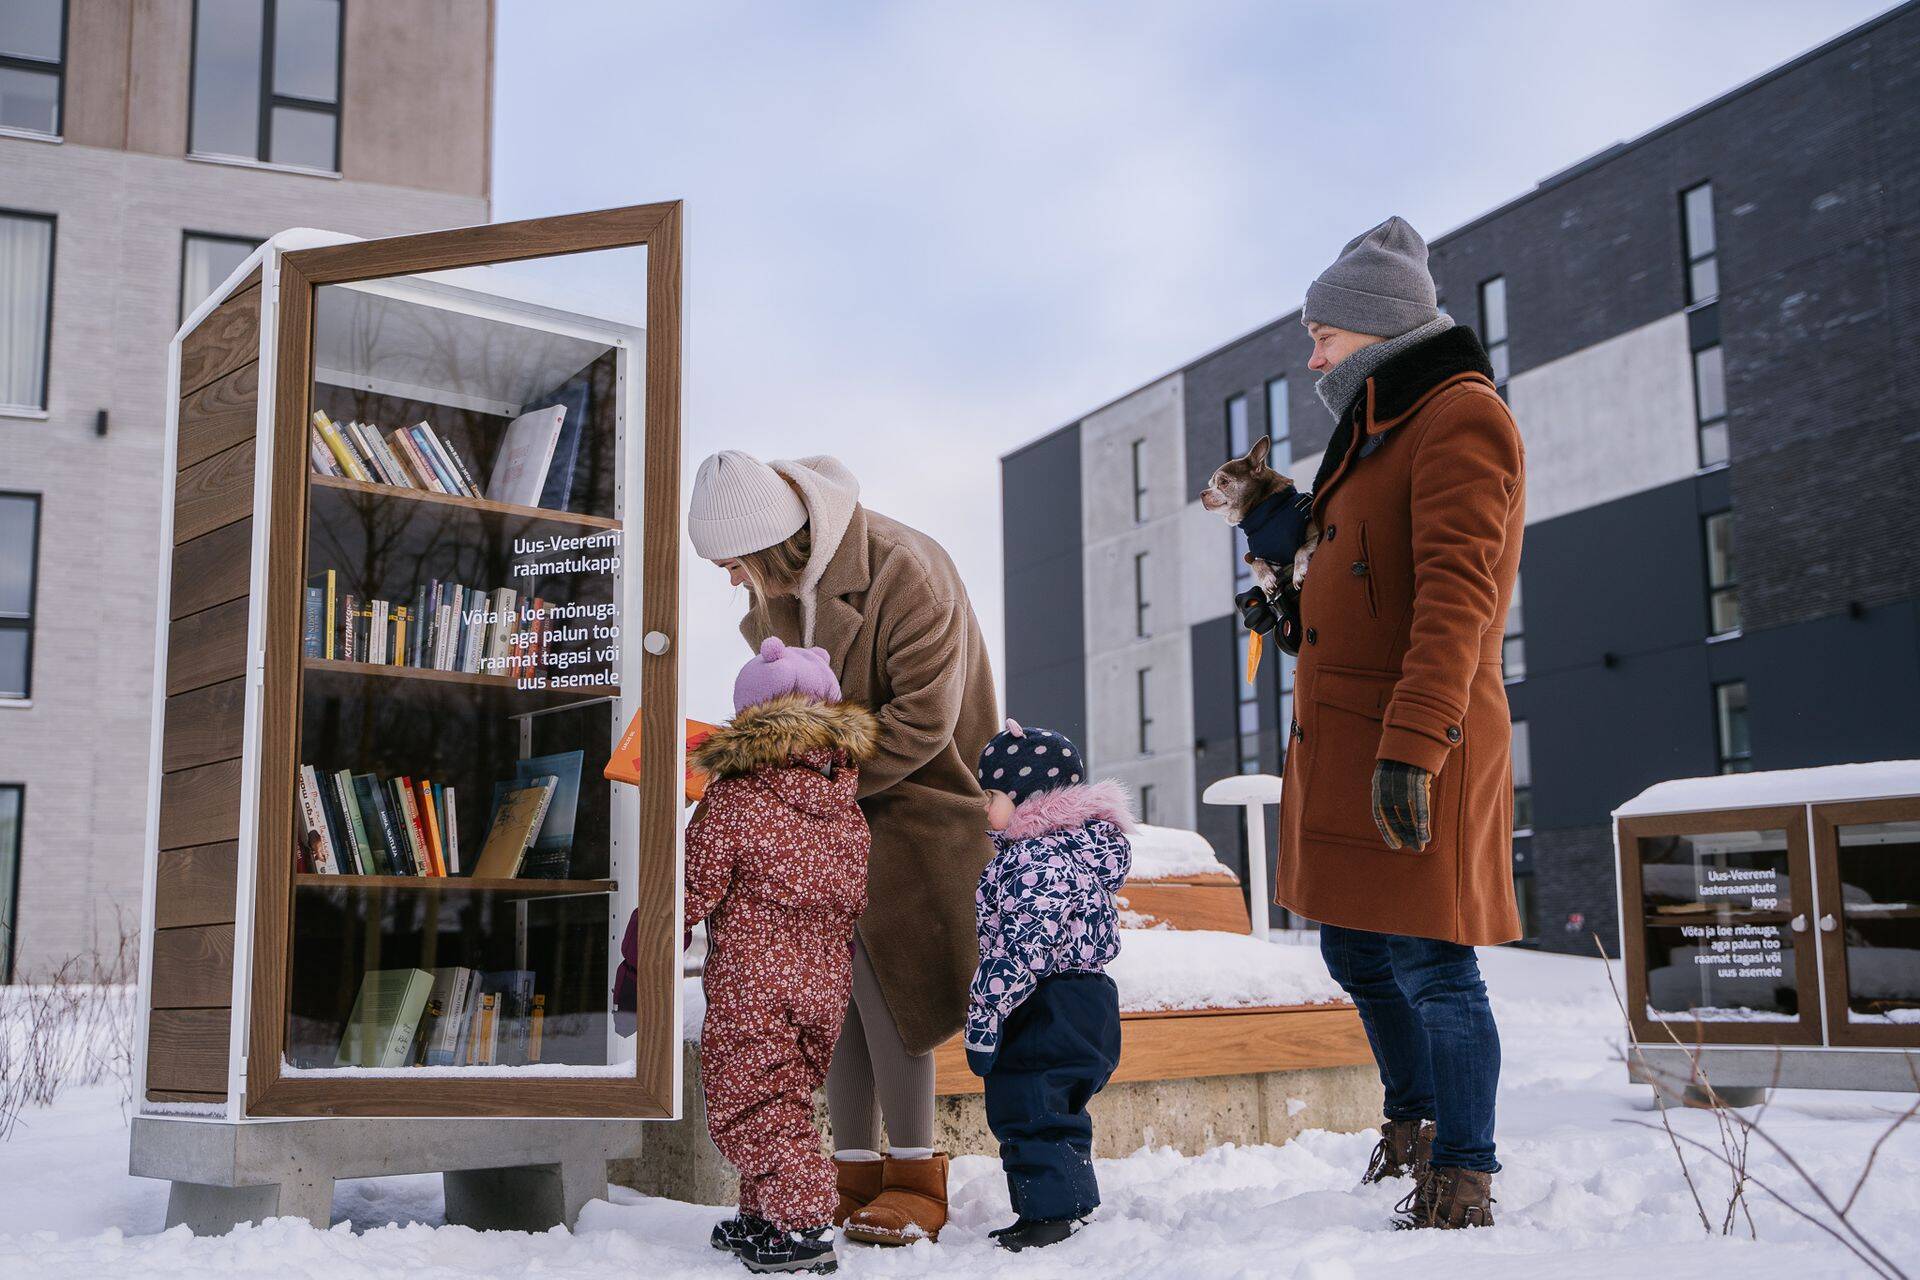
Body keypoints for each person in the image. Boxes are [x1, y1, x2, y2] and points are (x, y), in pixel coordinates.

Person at [1261, 216, 1525, 1229]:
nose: (1313, 354)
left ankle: (1462, 1172)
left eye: (1323, 334)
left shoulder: (1460, 417)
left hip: (1419, 734)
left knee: (1432, 961)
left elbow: (1458, 597)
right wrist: (1289, 608)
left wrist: (1414, 747)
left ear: (1374, 331)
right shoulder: (1374, 430)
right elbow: (1368, 591)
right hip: (1348, 736)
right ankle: (1413, 1122)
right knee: (1356, 950)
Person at [687, 451, 999, 1245]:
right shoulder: (776, 595)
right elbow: (793, 709)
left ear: (771, 545)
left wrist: (800, 786)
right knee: (840, 1009)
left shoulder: (908, 569)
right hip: (823, 818)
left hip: (918, 801)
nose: (729, 582)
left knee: (895, 1002)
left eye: (731, 564)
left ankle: (917, 1176)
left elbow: (927, 722)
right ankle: (851, 1172)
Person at [685, 637, 877, 1274]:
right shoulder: (845, 807)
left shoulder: (735, 800)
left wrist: (653, 926)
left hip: (752, 987)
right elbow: (852, 894)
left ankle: (802, 1221)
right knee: (785, 1095)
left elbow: (696, 885)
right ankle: (762, 1215)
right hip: (823, 987)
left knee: (754, 1104)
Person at [965, 720, 1130, 1251]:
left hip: (1045, 999)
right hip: (1089, 998)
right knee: (1059, 1105)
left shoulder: (1034, 860)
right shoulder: (1079, 850)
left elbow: (1021, 949)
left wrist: (986, 1013)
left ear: (1024, 800)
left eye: (990, 794)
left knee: (1028, 1102)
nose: (982, 805)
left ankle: (1050, 1216)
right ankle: (1069, 1204)